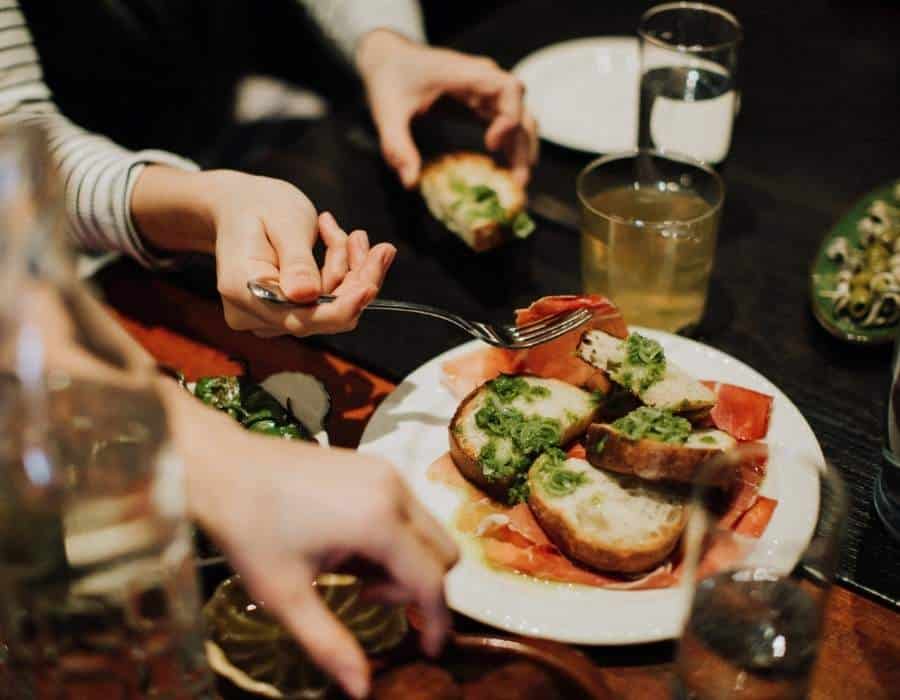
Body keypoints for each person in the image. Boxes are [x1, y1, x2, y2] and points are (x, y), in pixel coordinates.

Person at [2, 0, 538, 337]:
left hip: (224, 122)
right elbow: (13, 134)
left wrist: (385, 45)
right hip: (67, 258)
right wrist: (203, 202)